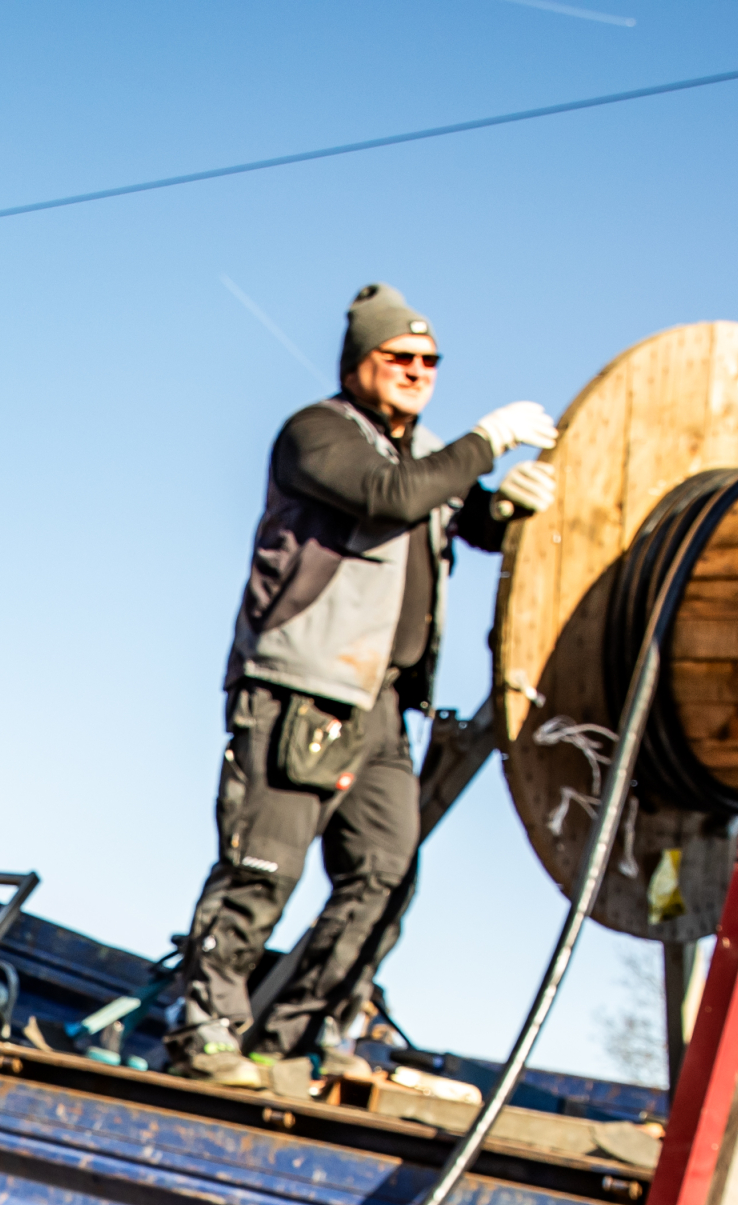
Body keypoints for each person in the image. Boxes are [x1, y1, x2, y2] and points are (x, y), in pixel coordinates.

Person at [168, 282, 559, 1086]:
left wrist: (503, 509)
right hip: (300, 690)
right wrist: (488, 443)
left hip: (384, 705)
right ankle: (204, 1029)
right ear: (360, 365)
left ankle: (293, 1035)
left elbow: (454, 516)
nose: (417, 371)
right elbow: (393, 500)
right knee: (262, 869)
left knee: (385, 874)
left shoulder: (426, 456)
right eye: (400, 358)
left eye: (429, 361)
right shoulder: (318, 436)